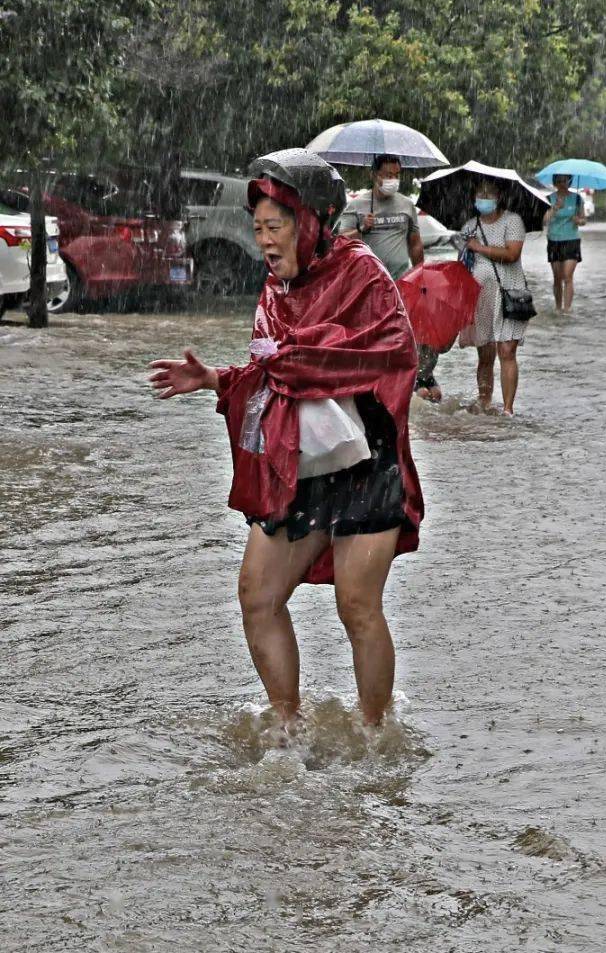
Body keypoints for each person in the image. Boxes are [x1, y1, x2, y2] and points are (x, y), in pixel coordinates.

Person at [149, 149, 423, 728]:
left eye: (276, 227)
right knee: (257, 593)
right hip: (297, 463)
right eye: (258, 230)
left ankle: (376, 735)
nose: (265, 241)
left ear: (312, 222)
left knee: (357, 604)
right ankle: (286, 724)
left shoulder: (363, 273)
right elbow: (269, 373)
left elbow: (397, 352)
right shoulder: (274, 292)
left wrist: (312, 355)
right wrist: (214, 380)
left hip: (367, 463)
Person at [337, 155, 440, 400]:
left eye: (396, 175)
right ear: (375, 175)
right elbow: (340, 243)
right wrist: (362, 229)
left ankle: (418, 378)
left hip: (403, 282)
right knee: (376, 335)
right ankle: (377, 381)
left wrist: (421, 276)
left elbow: (415, 244)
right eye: (387, 174)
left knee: (411, 331)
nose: (392, 180)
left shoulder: (406, 205)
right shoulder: (357, 206)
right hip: (369, 284)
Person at [458, 178, 530, 414]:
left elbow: (512, 254)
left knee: (507, 351)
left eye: (489, 193)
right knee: (485, 353)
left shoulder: (513, 221)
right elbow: (463, 263)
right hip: (482, 298)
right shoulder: (470, 226)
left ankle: (508, 410)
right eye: (480, 193)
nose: (484, 198)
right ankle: (484, 402)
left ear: (499, 196)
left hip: (510, 295)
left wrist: (479, 248)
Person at [544, 173, 586, 313]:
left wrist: (578, 221)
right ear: (555, 182)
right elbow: (544, 221)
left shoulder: (577, 199)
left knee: (567, 276)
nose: (562, 183)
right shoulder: (549, 198)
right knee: (557, 278)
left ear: (570, 181)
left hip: (572, 240)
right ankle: (558, 307)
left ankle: (567, 310)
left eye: (565, 180)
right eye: (559, 181)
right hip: (554, 240)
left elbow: (583, 220)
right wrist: (555, 207)